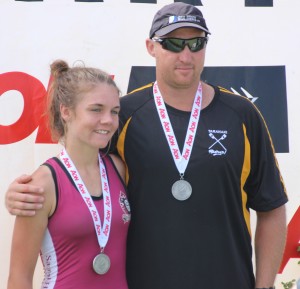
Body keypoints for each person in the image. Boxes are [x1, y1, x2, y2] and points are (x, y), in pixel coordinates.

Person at [5, 3, 287, 289]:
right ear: (151, 47)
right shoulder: (122, 114)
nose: (186, 54)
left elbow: (272, 208)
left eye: (196, 43)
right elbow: (78, 178)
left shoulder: (242, 114)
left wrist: (264, 286)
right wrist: (23, 194)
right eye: (174, 43)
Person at [6, 60, 130, 289]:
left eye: (114, 111)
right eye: (96, 109)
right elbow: (18, 279)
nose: (108, 120)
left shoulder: (118, 168)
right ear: (66, 111)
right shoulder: (41, 185)